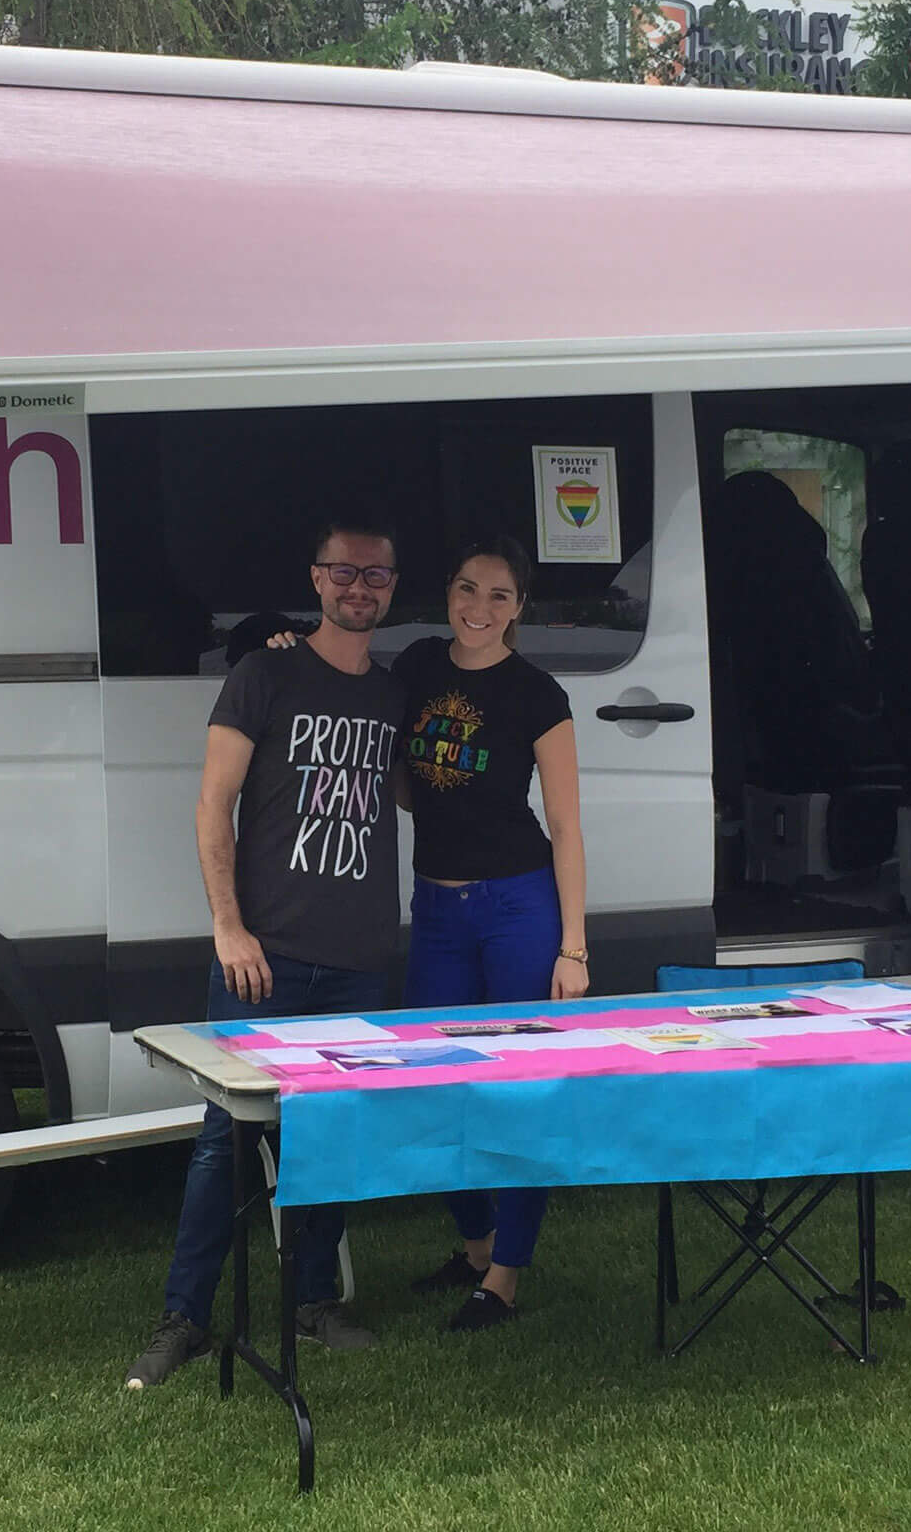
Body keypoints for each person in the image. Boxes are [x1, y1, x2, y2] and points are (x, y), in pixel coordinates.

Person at [125, 522, 407, 1389]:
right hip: (266, 958)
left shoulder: (395, 696)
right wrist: (229, 926)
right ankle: (185, 1316)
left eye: (378, 576)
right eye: (345, 573)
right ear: (318, 579)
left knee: (333, 1134)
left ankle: (316, 1299)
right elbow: (214, 806)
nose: (360, 589)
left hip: (360, 959)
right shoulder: (263, 676)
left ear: (392, 588)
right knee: (227, 1141)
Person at [381, 538, 593, 1331]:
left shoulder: (538, 694)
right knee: (430, 1081)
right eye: (468, 589)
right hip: (436, 910)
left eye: (499, 596)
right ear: (447, 593)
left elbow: (566, 828)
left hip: (518, 905)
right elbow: (403, 777)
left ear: (519, 609)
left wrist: (572, 947)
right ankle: (475, 1247)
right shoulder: (416, 668)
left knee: (516, 1083)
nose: (479, 608)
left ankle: (504, 1278)